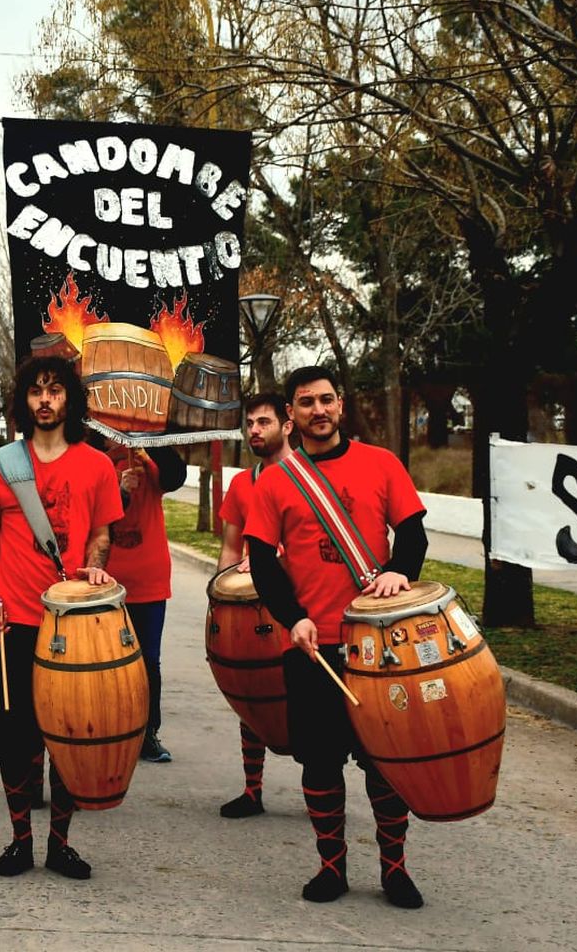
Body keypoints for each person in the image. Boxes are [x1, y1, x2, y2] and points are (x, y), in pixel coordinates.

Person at [245, 366, 429, 909]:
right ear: (291, 415)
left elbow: (414, 531)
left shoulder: (381, 463)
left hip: (377, 645)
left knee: (386, 763)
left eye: (326, 400)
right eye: (306, 403)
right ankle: (332, 867)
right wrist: (292, 616)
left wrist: (399, 570)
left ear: (340, 405)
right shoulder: (276, 480)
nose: (318, 411)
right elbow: (261, 562)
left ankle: (394, 869)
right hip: (311, 646)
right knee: (320, 763)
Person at [0, 354, 122, 880]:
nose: (45, 399)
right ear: (24, 401)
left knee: (70, 736)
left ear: (69, 399)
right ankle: (20, 841)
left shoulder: (97, 465)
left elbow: (102, 532)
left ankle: (60, 844)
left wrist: (95, 569)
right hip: (13, 620)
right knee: (15, 739)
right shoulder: (1, 464)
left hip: (73, 624)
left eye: (55, 390)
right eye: (36, 391)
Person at [214, 392, 293, 818]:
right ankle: (252, 790)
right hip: (251, 609)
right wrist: (219, 596)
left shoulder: (309, 478)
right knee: (251, 691)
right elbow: (230, 548)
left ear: (287, 426)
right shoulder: (242, 484)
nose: (255, 431)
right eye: (250, 424)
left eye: (264, 422)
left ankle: (321, 790)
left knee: (303, 700)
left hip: (301, 606)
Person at [98, 437, 187, 763]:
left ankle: (148, 733)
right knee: (105, 662)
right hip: (106, 579)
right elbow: (96, 514)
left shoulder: (152, 454)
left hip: (149, 579)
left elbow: (174, 478)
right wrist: (120, 491)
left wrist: (147, 452)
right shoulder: (99, 461)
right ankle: (108, 729)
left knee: (148, 660)